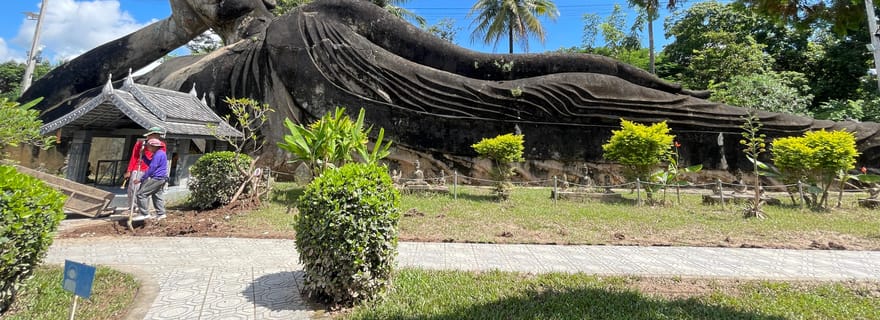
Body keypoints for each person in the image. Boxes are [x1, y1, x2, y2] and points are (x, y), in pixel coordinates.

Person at [22, 0, 880, 167]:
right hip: (275, 51)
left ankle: (752, 122)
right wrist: (188, 24)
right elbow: (57, 96)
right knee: (501, 89)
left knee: (502, 82)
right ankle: (774, 127)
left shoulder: (299, 18)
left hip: (302, 40)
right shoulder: (179, 57)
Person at [124, 127, 167, 212]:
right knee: (133, 188)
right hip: (138, 168)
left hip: (150, 170)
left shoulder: (161, 146)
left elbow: (158, 160)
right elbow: (134, 157)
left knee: (144, 190)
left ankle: (142, 209)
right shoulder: (140, 143)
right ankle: (132, 206)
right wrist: (129, 170)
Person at [135, 138, 169, 220]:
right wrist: (143, 156)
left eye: (149, 146)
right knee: (157, 195)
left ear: (153, 146)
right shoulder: (159, 153)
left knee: (141, 194)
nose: (148, 148)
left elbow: (152, 167)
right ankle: (161, 213)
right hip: (162, 178)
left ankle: (144, 213)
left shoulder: (158, 154)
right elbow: (151, 163)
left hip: (157, 178)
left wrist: (142, 178)